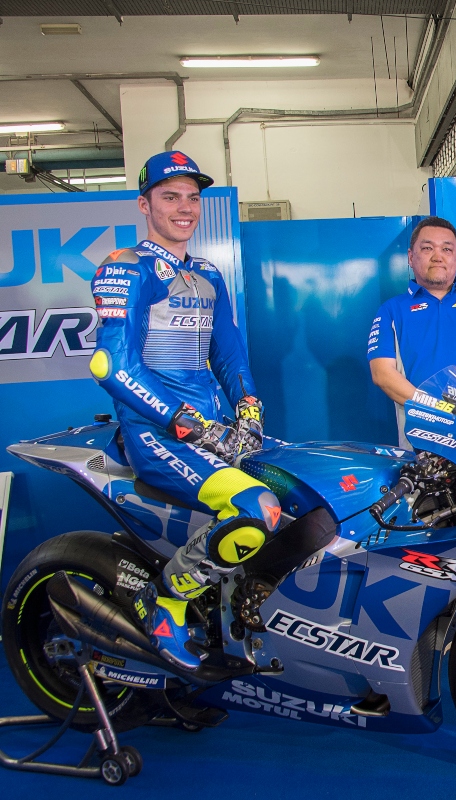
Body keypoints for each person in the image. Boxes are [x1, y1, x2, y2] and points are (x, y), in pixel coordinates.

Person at [89, 151, 279, 671]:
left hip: (214, 430)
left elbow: (230, 353)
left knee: (303, 494)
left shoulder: (206, 273)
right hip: (158, 435)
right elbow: (112, 365)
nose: (185, 207)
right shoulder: (126, 268)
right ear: (144, 203)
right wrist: (180, 421)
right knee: (256, 509)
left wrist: (250, 408)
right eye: (170, 196)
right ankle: (166, 601)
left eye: (193, 197)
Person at [368, 216, 456, 437]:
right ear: (410, 257)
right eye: (427, 248)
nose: (438, 257)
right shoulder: (391, 311)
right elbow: (382, 373)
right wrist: (434, 410)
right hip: (420, 435)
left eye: (447, 249)